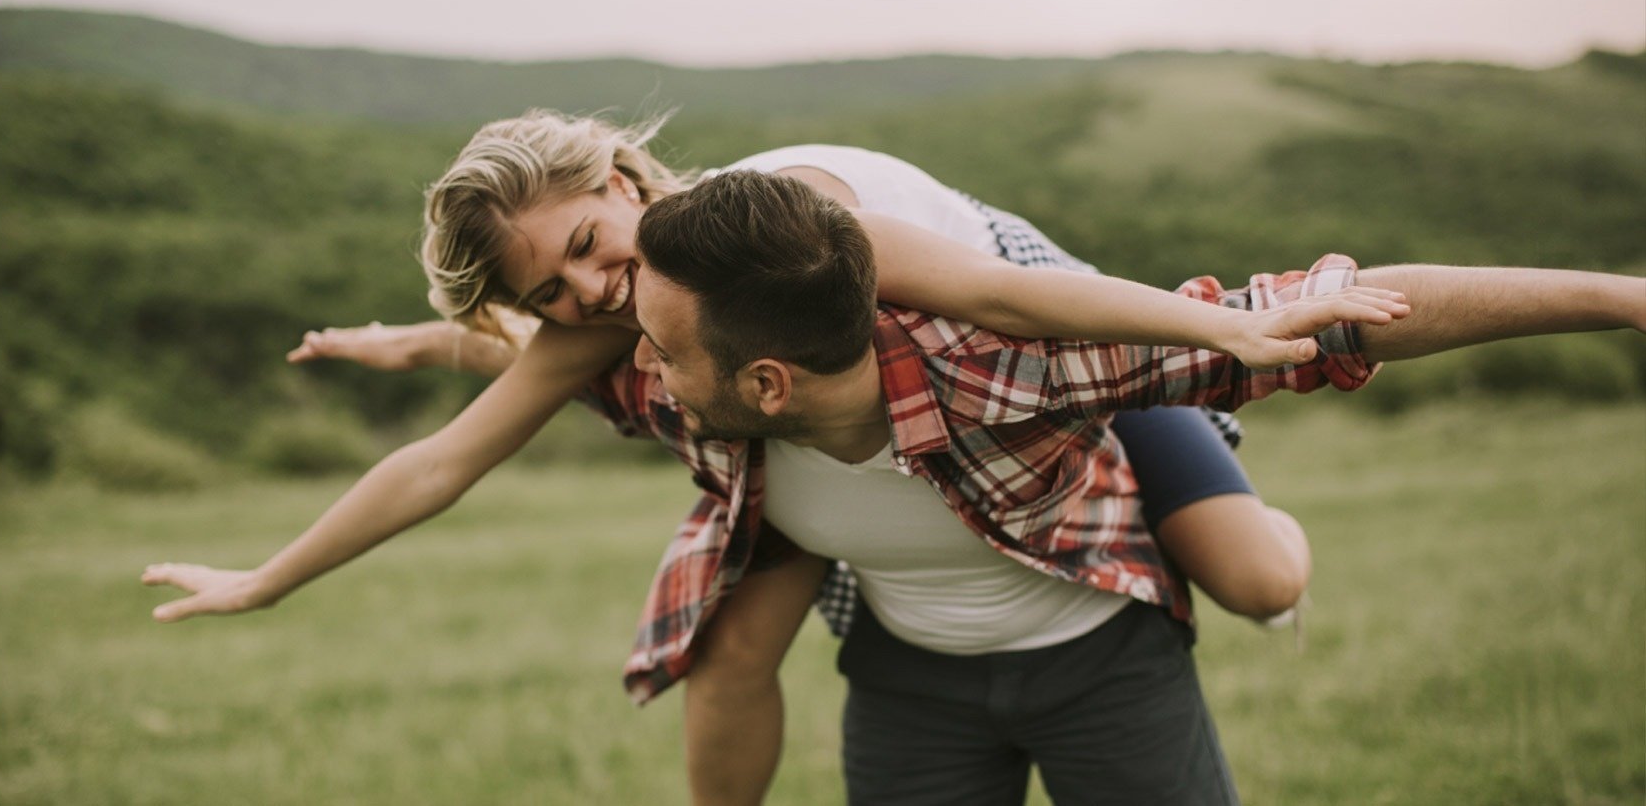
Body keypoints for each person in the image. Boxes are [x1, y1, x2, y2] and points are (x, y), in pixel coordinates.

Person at [143, 112, 1384, 802]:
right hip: (854, 442)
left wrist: (1220, 321)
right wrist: (266, 576)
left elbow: (1010, 302)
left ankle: (1258, 518)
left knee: (1257, 582)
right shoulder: (616, 318)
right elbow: (442, 462)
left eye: (588, 238)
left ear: (629, 177)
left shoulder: (788, 219)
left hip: (1073, 360)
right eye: (554, 286)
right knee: (730, 642)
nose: (593, 287)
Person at [598, 169, 1643, 804]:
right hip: (906, 686)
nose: (639, 368)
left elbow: (1347, 311)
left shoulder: (1014, 367)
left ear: (769, 383)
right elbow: (525, 357)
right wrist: (430, 342)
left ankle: (1236, 509)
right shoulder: (696, 398)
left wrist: (1622, 297)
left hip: (1101, 659)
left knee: (1261, 577)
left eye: (657, 350)